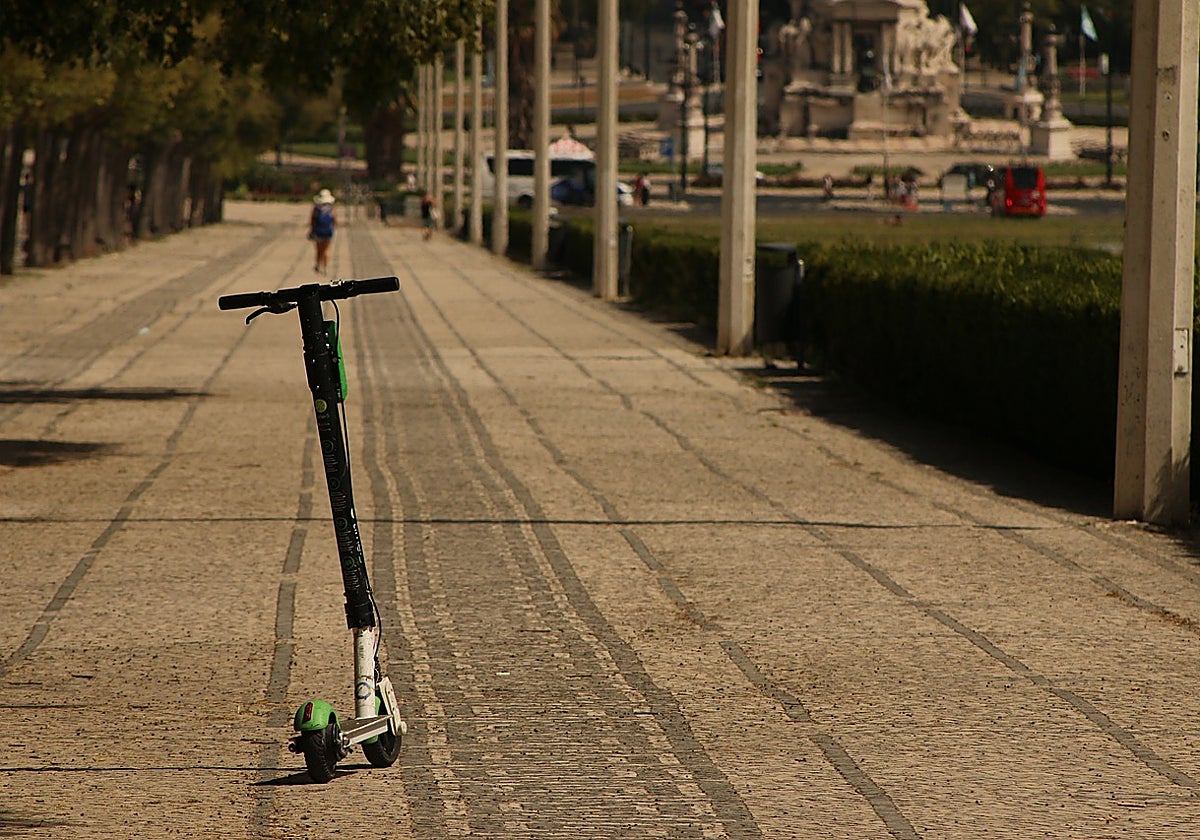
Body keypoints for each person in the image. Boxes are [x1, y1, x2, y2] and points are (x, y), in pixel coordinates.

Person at [309, 188, 336, 274]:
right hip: (328, 231)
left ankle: (317, 265)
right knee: (326, 249)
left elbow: (312, 220)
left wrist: (312, 230)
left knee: (318, 249)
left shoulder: (316, 209)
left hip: (318, 231)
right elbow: (335, 220)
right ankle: (325, 267)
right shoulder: (331, 209)